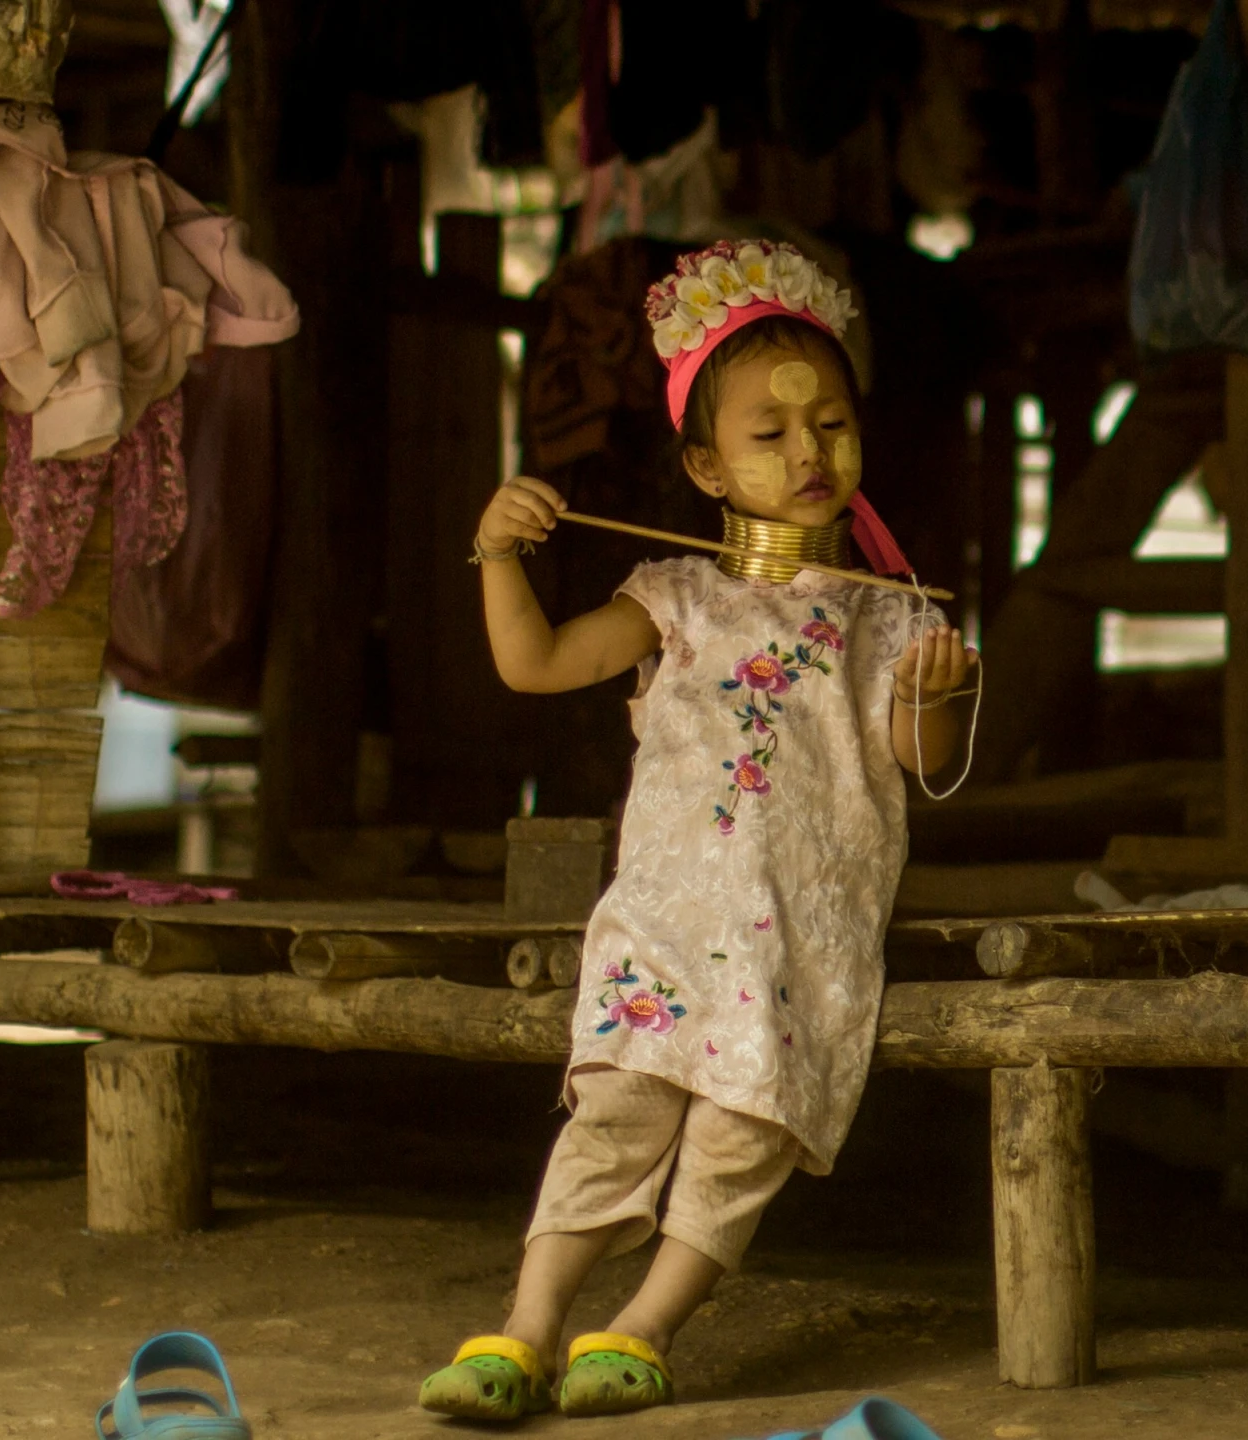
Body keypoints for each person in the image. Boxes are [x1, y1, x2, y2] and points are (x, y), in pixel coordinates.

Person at [418, 241, 978, 1422]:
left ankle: (643, 1328)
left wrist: (935, 693)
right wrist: (498, 550)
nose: (810, 453)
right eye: (771, 437)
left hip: (801, 941)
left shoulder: (895, 615)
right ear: (707, 468)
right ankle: (524, 1330)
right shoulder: (670, 597)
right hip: (666, 925)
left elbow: (926, 764)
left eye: (830, 425)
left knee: (739, 1135)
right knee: (617, 1113)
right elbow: (531, 664)